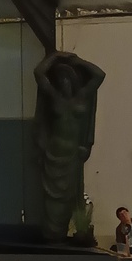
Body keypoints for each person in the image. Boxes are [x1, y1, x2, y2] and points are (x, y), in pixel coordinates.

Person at [33, 51, 105, 242]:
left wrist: (77, 61)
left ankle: (72, 231)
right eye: (60, 79)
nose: (63, 82)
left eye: (67, 78)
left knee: (69, 198)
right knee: (51, 202)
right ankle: (52, 235)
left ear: (73, 81)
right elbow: (38, 73)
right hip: (54, 154)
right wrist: (54, 57)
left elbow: (99, 75)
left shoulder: (82, 96)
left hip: (72, 155)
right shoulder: (54, 97)